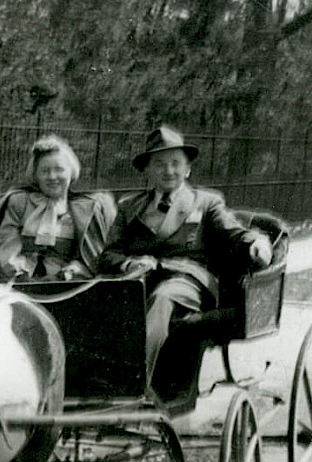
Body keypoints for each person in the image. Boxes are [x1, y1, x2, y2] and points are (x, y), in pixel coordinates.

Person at [98, 125, 272, 384]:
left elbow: (233, 232)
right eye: (159, 164)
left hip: (188, 281)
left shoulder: (206, 202)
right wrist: (129, 264)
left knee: (163, 298)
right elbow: (109, 254)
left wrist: (257, 241)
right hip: (139, 279)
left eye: (175, 163)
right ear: (147, 170)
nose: (168, 171)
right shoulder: (128, 207)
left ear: (188, 168)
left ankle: (135, 386)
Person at [0, 135, 116, 283]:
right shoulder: (19, 202)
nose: (52, 176)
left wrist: (69, 273)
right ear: (35, 175)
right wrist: (20, 275)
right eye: (44, 171)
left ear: (71, 172)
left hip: (66, 286)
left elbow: (91, 258)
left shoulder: (87, 208)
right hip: (19, 283)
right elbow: (6, 248)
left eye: (59, 170)